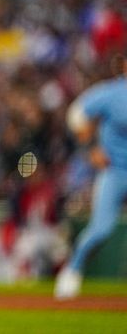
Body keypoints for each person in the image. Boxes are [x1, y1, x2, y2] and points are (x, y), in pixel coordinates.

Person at [54, 56, 127, 299]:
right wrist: (89, 148)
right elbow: (76, 114)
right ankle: (73, 269)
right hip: (115, 170)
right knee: (100, 230)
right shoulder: (112, 93)